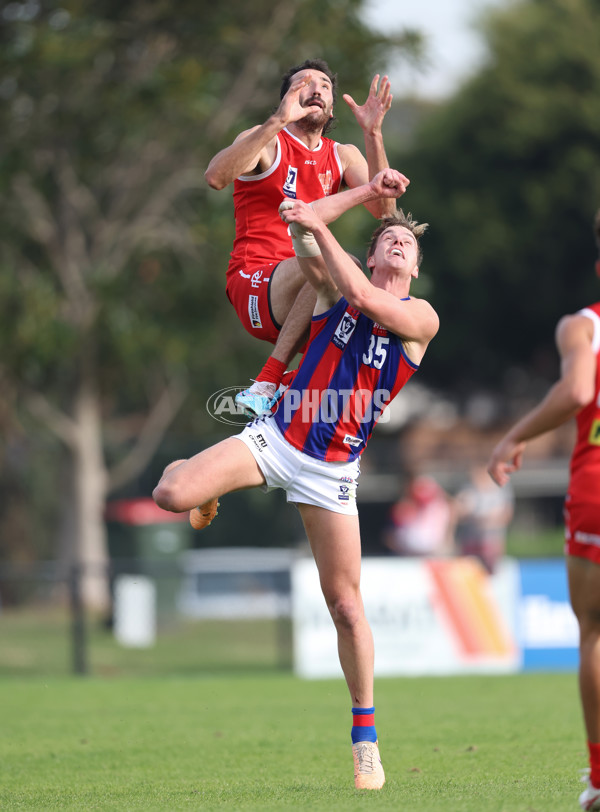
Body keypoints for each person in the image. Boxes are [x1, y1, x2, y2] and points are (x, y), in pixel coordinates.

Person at [153, 168, 439, 790]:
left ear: (414, 268)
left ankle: (366, 739)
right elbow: (312, 248)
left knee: (345, 606)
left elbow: (365, 297)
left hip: (332, 470)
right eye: (388, 240)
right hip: (277, 439)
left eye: (408, 245)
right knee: (170, 494)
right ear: (368, 253)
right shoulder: (334, 291)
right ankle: (207, 497)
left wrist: (321, 222)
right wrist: (316, 220)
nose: (398, 245)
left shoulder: (421, 319)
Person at [204, 58, 396, 418]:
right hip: (255, 283)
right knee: (342, 265)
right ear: (287, 98)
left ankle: (296, 391)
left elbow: (385, 210)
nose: (317, 89)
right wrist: (277, 120)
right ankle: (268, 380)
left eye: (325, 85)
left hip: (307, 293)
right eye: (304, 83)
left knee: (367, 317)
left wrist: (373, 134)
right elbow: (215, 177)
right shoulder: (264, 140)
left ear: (332, 104)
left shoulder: (343, 154)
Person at [487, 209, 600, 812]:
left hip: (595, 488)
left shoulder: (583, 326)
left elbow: (579, 392)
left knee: (595, 633)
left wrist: (515, 435)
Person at [454, 463, 514, 574]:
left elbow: (507, 515)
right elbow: (457, 513)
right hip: (470, 541)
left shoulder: (500, 488)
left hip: (491, 541)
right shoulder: (467, 488)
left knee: (492, 574)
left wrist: (489, 521)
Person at [383, 474, 454, 557]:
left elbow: (446, 540)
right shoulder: (405, 507)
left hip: (433, 554)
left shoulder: (441, 508)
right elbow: (388, 537)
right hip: (406, 554)